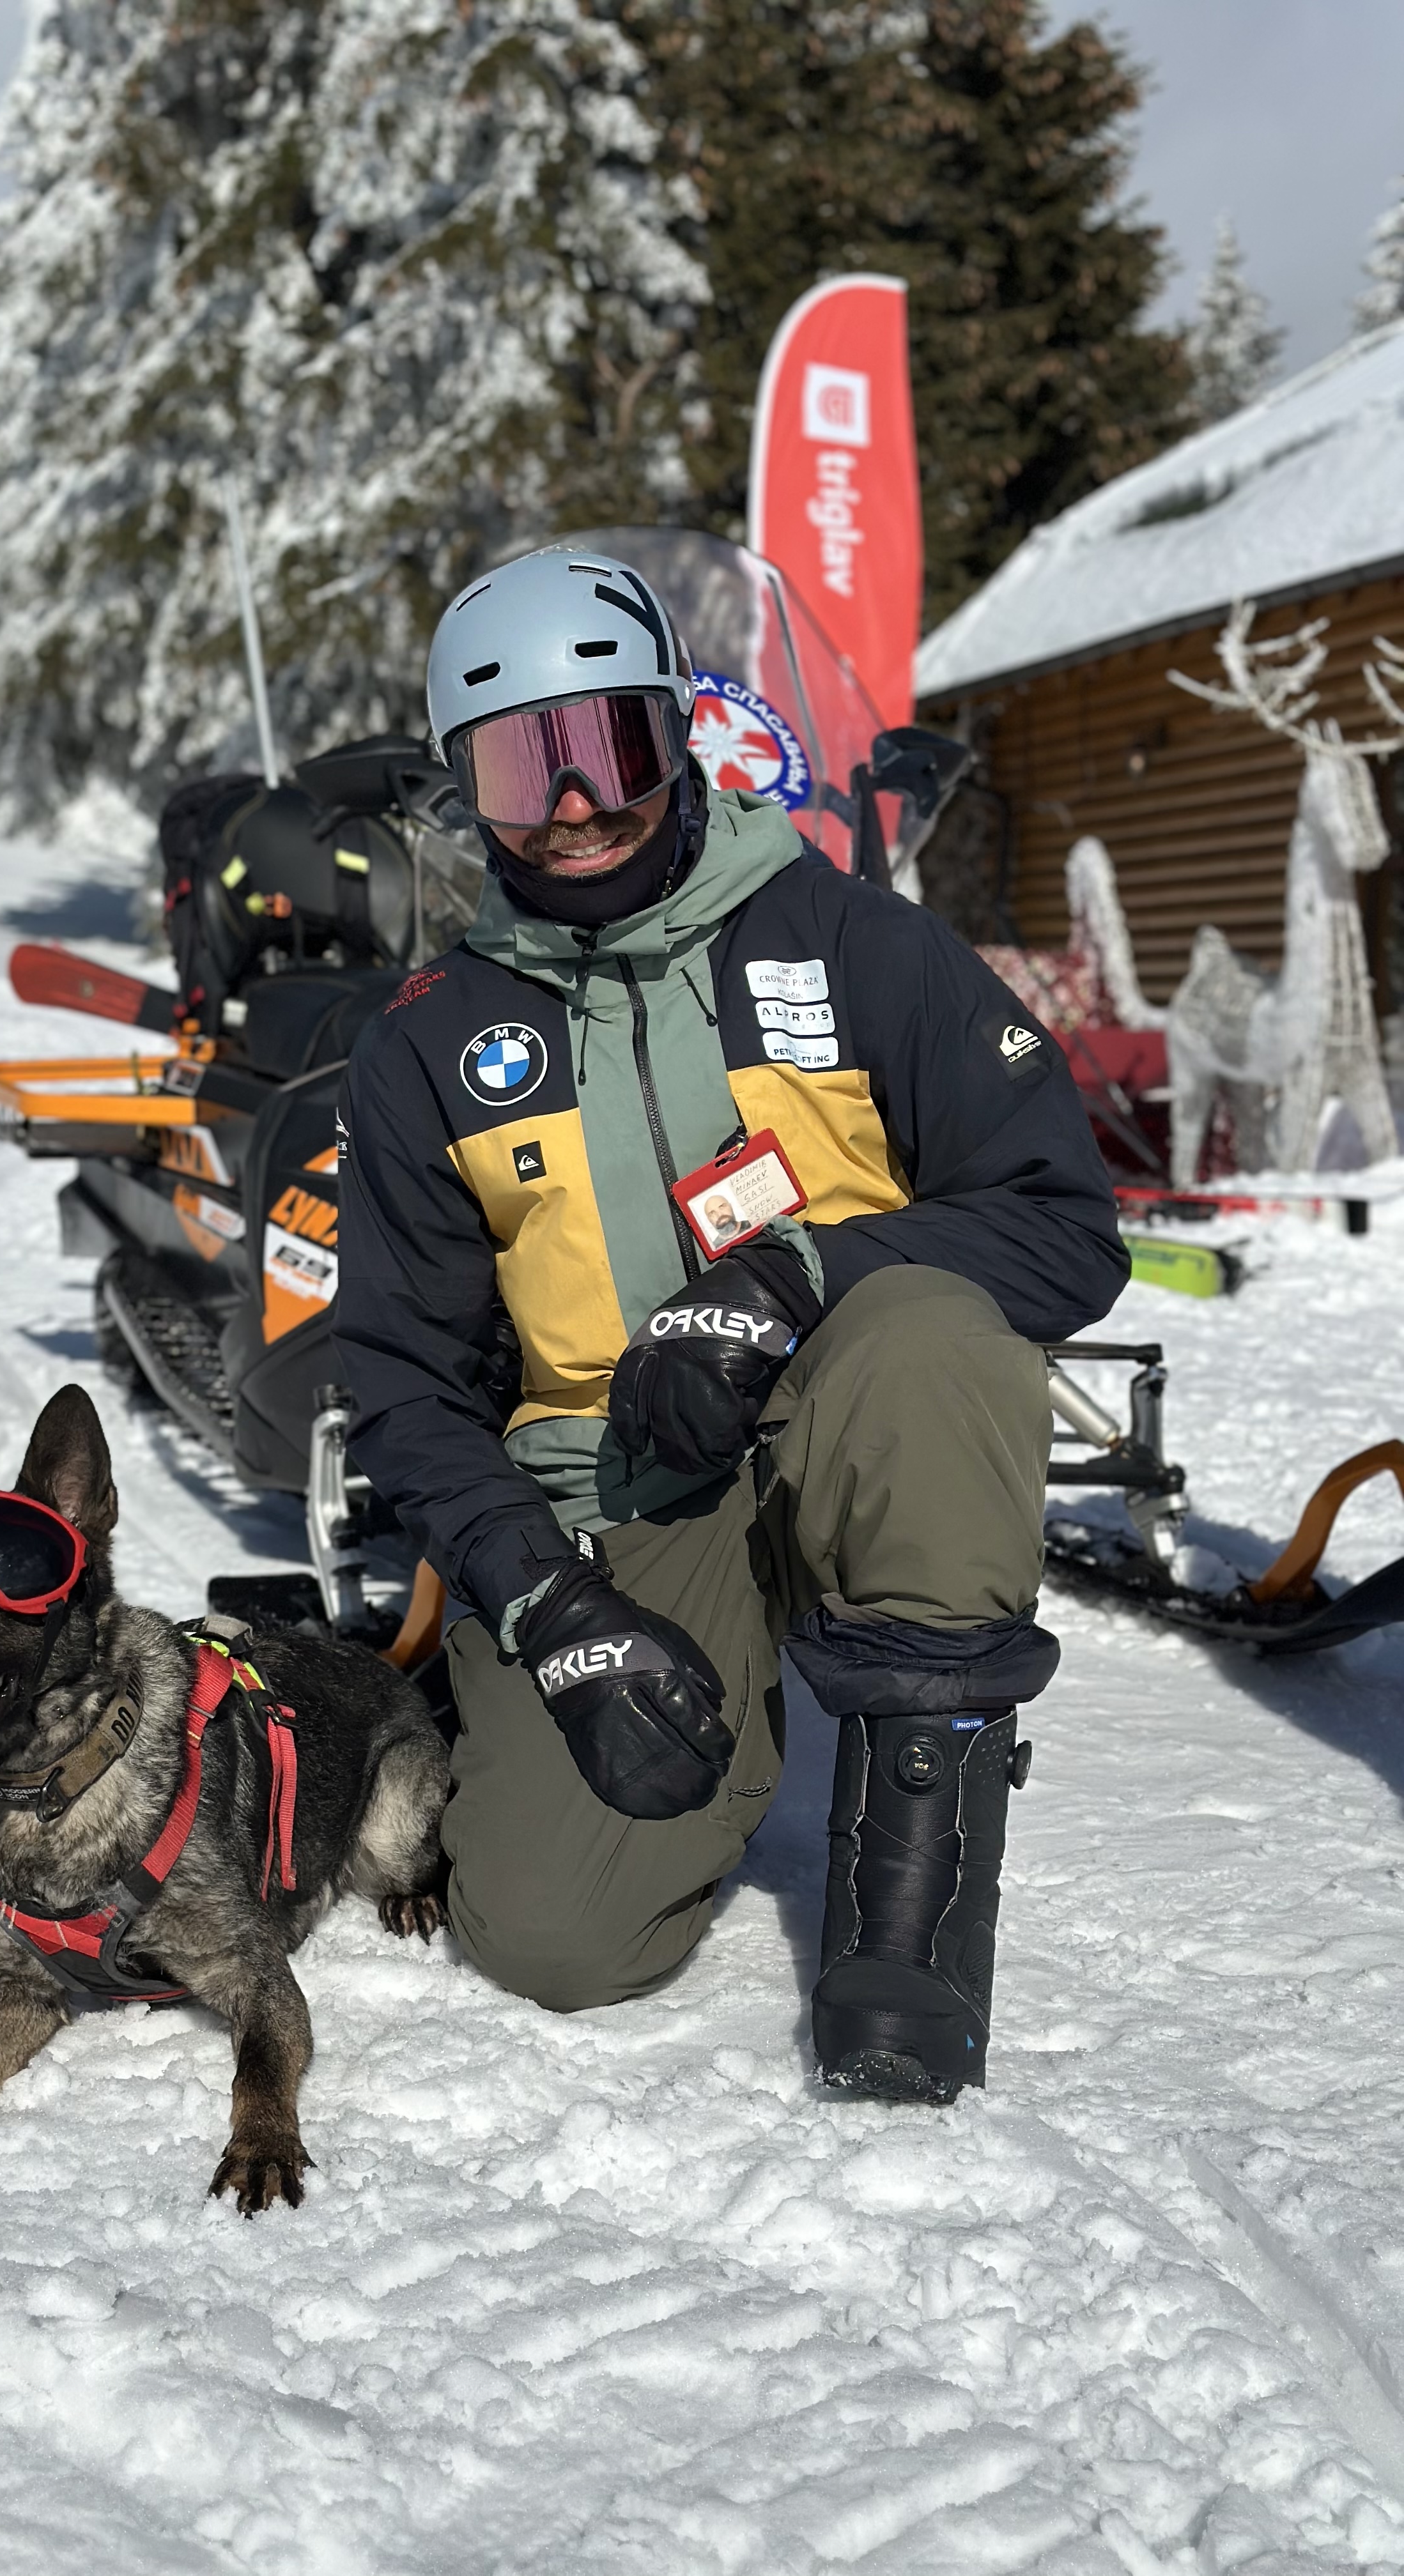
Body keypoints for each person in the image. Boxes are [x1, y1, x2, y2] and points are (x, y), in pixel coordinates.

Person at [332, 545, 1127, 2104]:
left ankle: (908, 1941)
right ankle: (722, 1686)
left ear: (677, 731)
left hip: (847, 1421)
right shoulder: (433, 1044)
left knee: (925, 1333)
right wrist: (548, 1609)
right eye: (521, 764)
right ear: (468, 794)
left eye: (609, 747)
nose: (574, 804)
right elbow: (403, 1384)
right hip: (619, 1489)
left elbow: (1059, 1225)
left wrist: (791, 1278)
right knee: (557, 1941)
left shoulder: (845, 940)